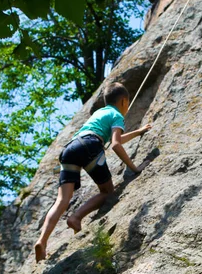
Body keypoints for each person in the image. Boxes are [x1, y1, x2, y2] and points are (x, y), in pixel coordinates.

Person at [34, 82, 151, 262]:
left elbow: (116, 138)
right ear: (124, 102)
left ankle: (42, 241)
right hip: (89, 145)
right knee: (107, 192)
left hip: (70, 149)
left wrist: (138, 132)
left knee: (62, 200)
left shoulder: (99, 113)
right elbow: (116, 144)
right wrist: (134, 168)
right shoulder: (117, 115)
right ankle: (76, 216)